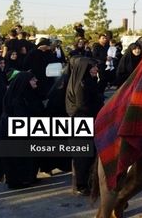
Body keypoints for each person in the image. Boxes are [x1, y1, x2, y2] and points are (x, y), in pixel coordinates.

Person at [0, 71, 44, 188]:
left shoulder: (29, 94)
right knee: (16, 159)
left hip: (25, 131)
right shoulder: (17, 99)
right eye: (32, 79)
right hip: (13, 133)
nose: (36, 80)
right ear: (25, 83)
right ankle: (15, 182)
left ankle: (29, 177)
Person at [65, 56, 104, 195]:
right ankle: (82, 185)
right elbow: (83, 106)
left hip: (86, 121)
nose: (95, 69)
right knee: (83, 156)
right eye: (92, 67)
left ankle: (87, 183)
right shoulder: (81, 84)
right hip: (82, 122)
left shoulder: (87, 81)